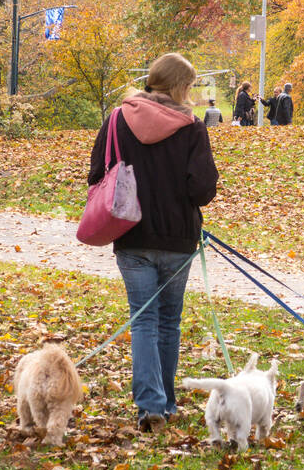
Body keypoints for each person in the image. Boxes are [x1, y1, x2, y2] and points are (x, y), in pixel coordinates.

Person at [88, 52, 219, 432]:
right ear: (179, 86)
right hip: (178, 239)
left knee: (143, 319)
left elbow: (97, 172)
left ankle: (151, 407)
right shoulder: (192, 128)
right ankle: (167, 403)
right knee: (168, 322)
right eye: (189, 86)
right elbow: (203, 189)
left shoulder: (117, 120)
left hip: (131, 235)